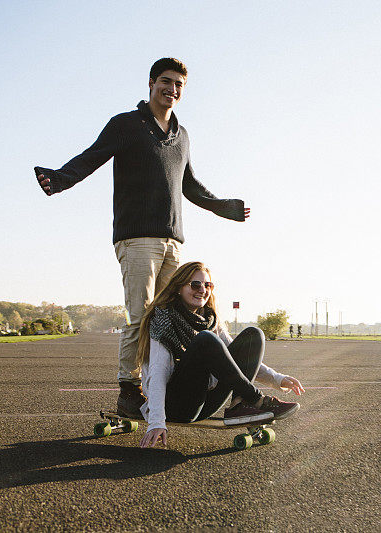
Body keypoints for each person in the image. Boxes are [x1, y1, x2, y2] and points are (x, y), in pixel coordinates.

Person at [34, 58, 251, 418]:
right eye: (166, 82)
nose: (172, 89)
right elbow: (93, 156)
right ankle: (128, 389)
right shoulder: (127, 125)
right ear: (151, 83)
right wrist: (60, 179)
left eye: (179, 84)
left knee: (177, 313)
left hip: (172, 241)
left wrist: (222, 207)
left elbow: (190, 186)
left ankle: (170, 384)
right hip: (137, 239)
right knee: (141, 316)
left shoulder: (182, 136)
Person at [135, 261, 305, 449]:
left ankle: (238, 405)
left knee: (253, 336)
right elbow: (158, 372)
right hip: (176, 406)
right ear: (178, 288)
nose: (202, 290)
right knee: (205, 340)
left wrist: (278, 379)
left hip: (205, 402)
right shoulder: (163, 319)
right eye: (195, 284)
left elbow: (235, 361)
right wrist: (157, 422)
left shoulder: (210, 319)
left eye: (207, 285)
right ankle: (257, 399)